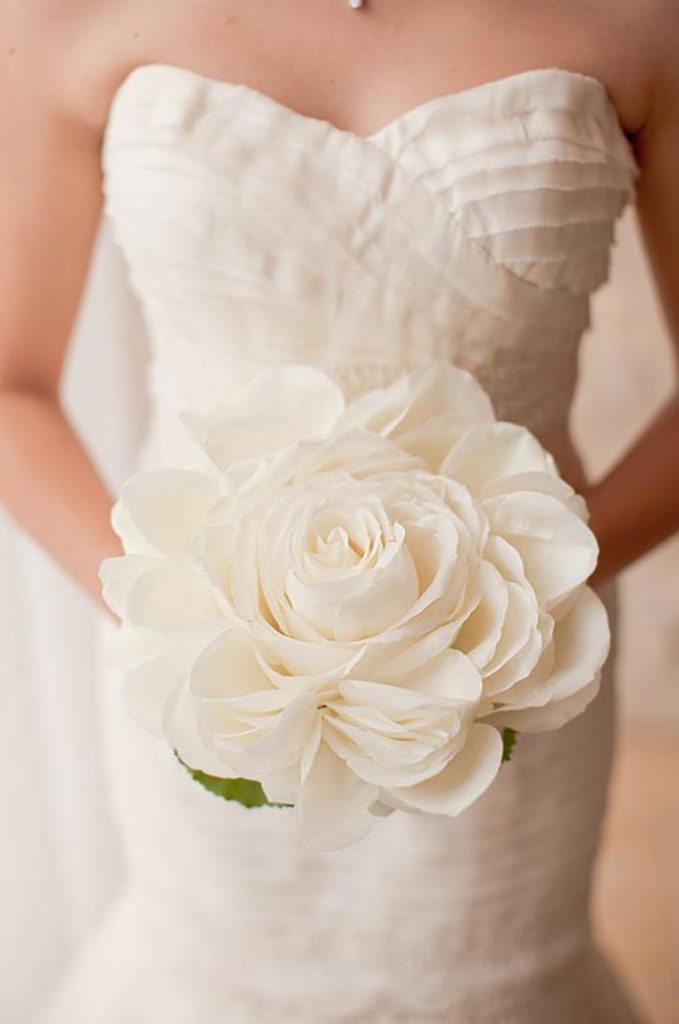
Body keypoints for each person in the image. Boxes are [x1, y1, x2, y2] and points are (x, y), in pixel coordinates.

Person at [2, 1, 677, 1020]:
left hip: (511, 679)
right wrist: (194, 617)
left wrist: (518, 611)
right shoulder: (64, 15)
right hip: (210, 677)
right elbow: (10, 386)